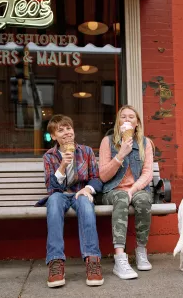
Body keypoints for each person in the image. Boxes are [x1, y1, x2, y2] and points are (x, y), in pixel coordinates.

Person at [36, 114, 104, 288]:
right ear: (53, 136)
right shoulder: (49, 157)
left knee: (85, 204)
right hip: (59, 194)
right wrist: (62, 166)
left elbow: (96, 178)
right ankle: (55, 262)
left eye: (69, 128)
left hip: (80, 193)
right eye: (61, 130)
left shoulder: (86, 151)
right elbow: (51, 188)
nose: (66, 132)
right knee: (54, 202)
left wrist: (88, 189)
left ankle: (93, 261)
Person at [98, 105, 155, 280]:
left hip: (136, 189)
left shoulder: (145, 143)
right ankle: (120, 258)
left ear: (137, 123)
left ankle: (141, 250)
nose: (128, 120)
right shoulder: (107, 142)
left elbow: (147, 173)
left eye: (132, 117)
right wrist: (120, 155)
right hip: (112, 191)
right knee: (121, 197)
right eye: (123, 117)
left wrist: (133, 189)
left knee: (144, 199)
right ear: (118, 122)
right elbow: (103, 176)